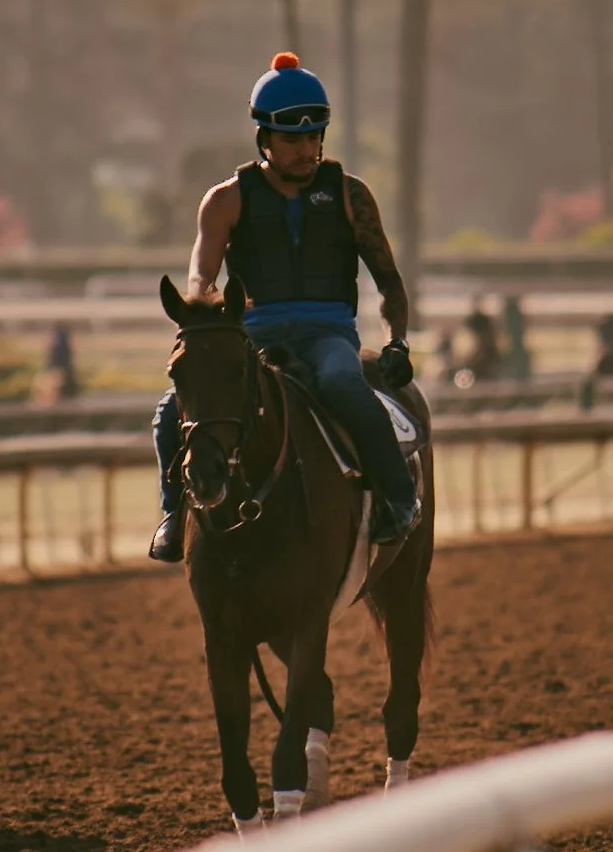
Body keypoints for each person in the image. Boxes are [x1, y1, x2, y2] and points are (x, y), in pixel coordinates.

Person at [148, 53, 420, 563]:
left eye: (315, 137)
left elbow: (388, 281)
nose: (307, 149)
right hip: (254, 334)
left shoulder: (351, 197)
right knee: (169, 412)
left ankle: (399, 500)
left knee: (342, 381)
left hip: (327, 334)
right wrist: (204, 324)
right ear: (265, 138)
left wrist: (397, 341)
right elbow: (200, 278)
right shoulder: (225, 201)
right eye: (294, 139)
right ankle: (172, 514)